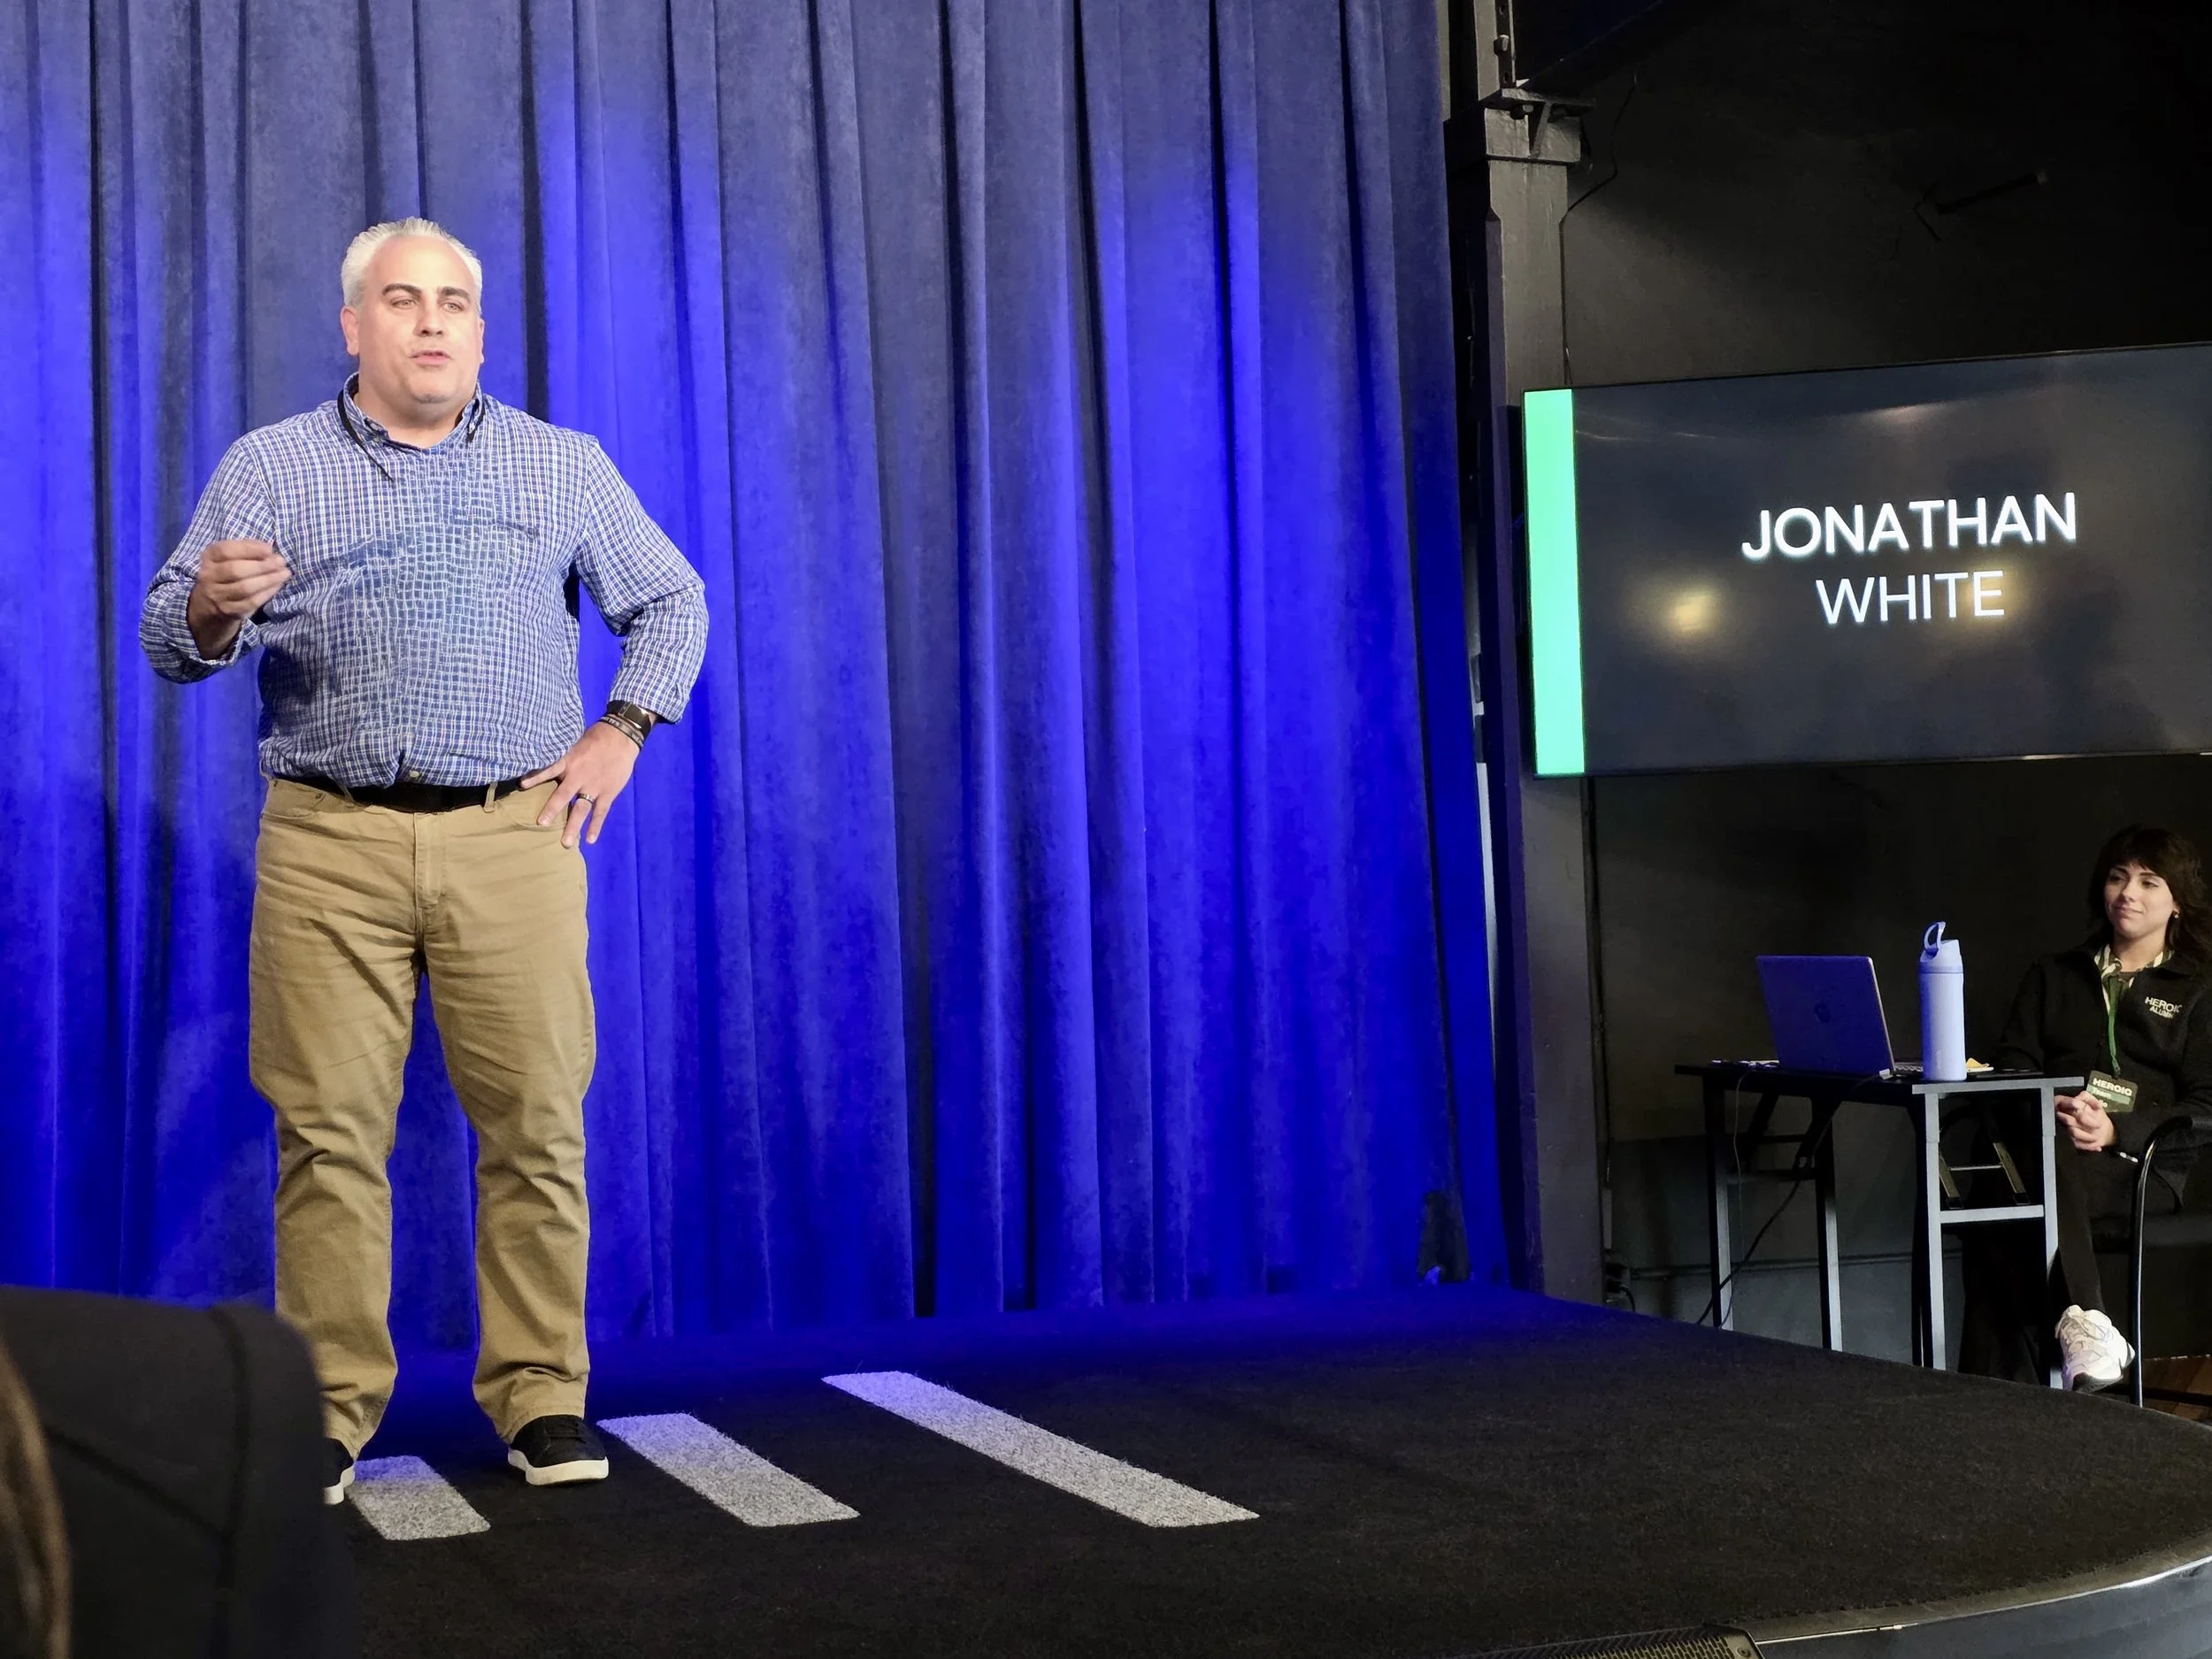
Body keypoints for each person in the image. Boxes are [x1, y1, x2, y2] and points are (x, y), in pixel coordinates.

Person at [138, 217, 708, 1503]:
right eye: (402, 300)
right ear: (355, 325)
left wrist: (621, 728)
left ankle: (542, 1396)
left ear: (482, 333)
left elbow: (671, 599)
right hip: (327, 842)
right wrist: (213, 607)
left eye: (453, 301)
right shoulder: (270, 466)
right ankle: (329, 1412)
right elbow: (171, 638)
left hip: (514, 833)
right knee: (328, 1136)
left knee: (538, 1124)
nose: (432, 320)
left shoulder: (561, 465)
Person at [1963, 826, 2212, 1388]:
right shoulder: (2054, 974)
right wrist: (2051, 1102)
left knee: (2000, 1210)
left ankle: (1984, 1393)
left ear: (2177, 902)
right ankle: (2088, 1327)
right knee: (2017, 1169)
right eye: (2118, 878)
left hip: (2142, 1167)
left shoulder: (2198, 988)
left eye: (2149, 882)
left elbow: (2207, 1102)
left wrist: (2117, 1130)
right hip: (2050, 1145)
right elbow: (2013, 1066)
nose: (2128, 893)